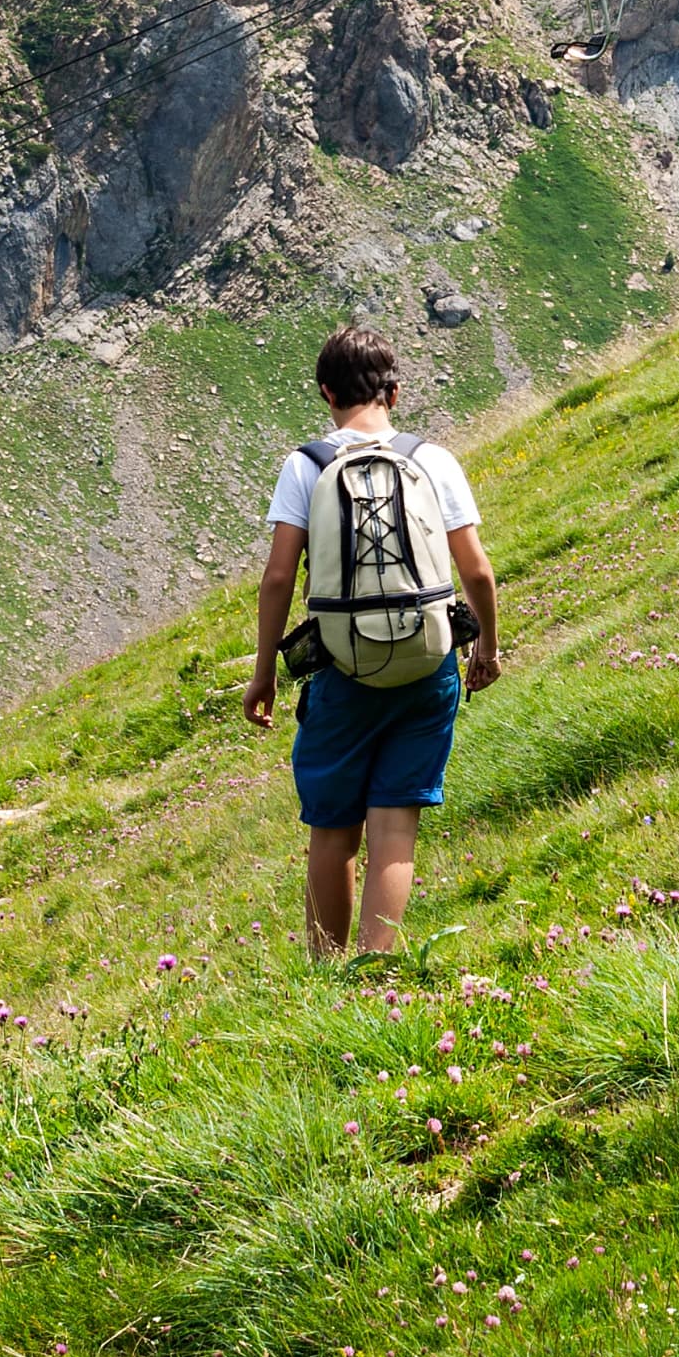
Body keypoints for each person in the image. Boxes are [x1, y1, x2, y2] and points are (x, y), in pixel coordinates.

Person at [243, 325, 501, 957]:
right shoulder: (432, 460)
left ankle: (327, 971)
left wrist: (265, 671)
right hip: (426, 661)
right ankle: (376, 972)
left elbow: (279, 577)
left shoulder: (306, 465)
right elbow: (477, 573)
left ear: (326, 393)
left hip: (340, 666)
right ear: (395, 390)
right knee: (395, 828)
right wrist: (486, 648)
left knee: (333, 830)